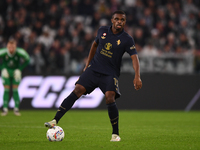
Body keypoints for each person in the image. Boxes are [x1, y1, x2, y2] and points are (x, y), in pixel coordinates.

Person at [44, 10, 142, 141]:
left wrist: (137, 76)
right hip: (93, 69)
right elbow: (94, 45)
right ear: (112, 20)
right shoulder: (102, 31)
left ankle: (115, 134)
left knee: (110, 97)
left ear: (124, 22)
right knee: (77, 90)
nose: (119, 22)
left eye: (122, 20)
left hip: (110, 73)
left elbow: (134, 57)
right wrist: (87, 64)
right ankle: (55, 120)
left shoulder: (127, 39)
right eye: (117, 19)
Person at [0, 39, 30, 116]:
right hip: (6, 71)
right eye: (10, 47)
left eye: (13, 47)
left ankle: (16, 109)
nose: (11, 49)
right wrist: (2, 68)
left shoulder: (20, 52)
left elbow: (27, 59)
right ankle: (5, 109)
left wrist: (20, 69)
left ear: (15, 47)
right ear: (7, 46)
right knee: (6, 89)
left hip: (15, 71)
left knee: (15, 89)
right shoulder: (3, 52)